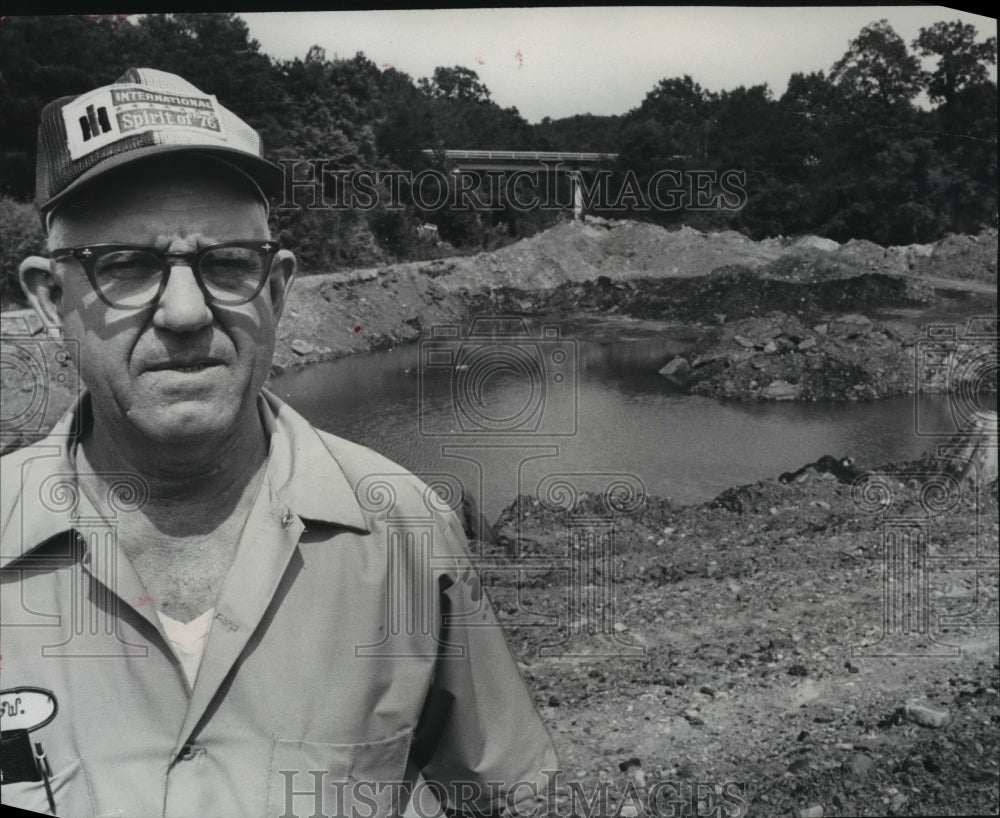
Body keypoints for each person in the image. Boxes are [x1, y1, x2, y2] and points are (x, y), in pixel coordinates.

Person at [0, 67, 557, 818]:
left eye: (227, 262)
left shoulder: (403, 533)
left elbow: (508, 795)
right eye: (126, 267)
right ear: (49, 298)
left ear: (278, 288)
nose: (187, 312)